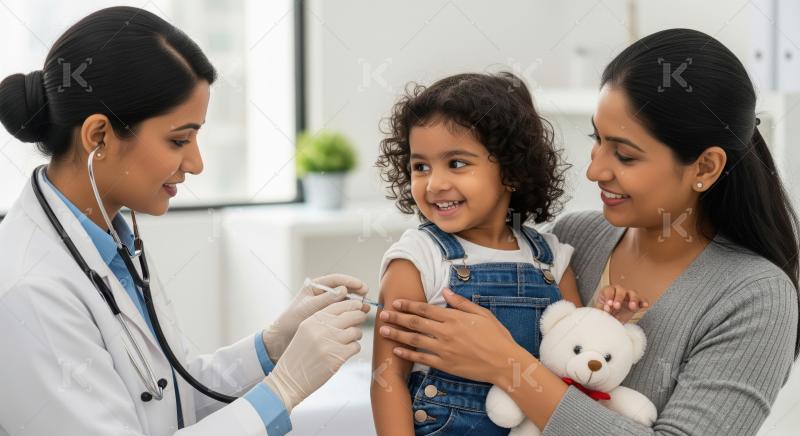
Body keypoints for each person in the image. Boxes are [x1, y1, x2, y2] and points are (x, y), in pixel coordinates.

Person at [377, 29, 800, 435]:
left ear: (705, 167)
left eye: (625, 155)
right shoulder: (573, 239)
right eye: (596, 140)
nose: (594, 169)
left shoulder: (756, 296)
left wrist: (506, 364)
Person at [0, 7, 368, 435]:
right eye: (179, 140)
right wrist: (283, 390)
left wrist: (273, 344)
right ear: (99, 136)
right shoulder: (27, 289)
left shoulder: (111, 244)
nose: (196, 163)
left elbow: (169, 392)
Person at [372, 72, 647, 435]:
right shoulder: (416, 259)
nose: (434, 183)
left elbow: (567, 355)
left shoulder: (551, 258)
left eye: (456, 163)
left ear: (511, 172)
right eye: (420, 166)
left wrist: (607, 319)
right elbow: (387, 375)